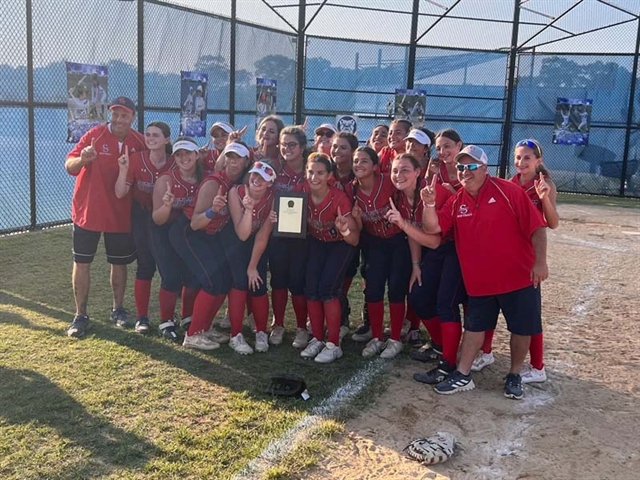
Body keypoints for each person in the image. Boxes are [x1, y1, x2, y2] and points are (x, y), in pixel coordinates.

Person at [421, 145, 549, 400]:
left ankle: (514, 374)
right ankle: (463, 373)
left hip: (519, 276)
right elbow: (433, 227)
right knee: (475, 327)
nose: (464, 172)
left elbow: (538, 228)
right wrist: (429, 204)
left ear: (483, 167)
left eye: (470, 166)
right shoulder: (457, 199)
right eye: (460, 167)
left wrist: (540, 263)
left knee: (521, 329)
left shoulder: (508, 191)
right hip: (480, 281)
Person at [473, 138, 559, 384]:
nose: (521, 162)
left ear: (538, 161)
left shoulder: (545, 184)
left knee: (528, 314)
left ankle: (538, 367)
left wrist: (544, 199)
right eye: (518, 157)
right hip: (506, 252)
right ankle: (486, 353)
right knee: (493, 299)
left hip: (528, 255)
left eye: (527, 158)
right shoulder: (510, 183)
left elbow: (551, 223)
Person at [65, 96, 146, 338]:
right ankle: (80, 315)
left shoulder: (139, 141)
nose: (119, 119)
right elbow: (69, 165)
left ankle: (118, 309)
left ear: (133, 117)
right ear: (110, 114)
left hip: (121, 214)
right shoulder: (94, 135)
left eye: (125, 115)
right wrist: (83, 159)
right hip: (88, 212)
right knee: (82, 262)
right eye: (115, 114)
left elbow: (159, 158)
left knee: (119, 263)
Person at [170, 142, 252, 351]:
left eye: (238, 158)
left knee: (223, 281)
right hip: (188, 233)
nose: (233, 162)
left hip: (208, 235)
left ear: (247, 161)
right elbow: (195, 222)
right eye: (230, 157)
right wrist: (212, 211)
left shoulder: (241, 183)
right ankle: (192, 334)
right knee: (212, 281)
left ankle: (204, 328)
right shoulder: (214, 183)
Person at [347, 147, 410, 359]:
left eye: (365, 161)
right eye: (356, 161)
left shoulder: (389, 181)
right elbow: (359, 226)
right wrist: (356, 218)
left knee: (395, 289)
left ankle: (395, 339)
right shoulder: (351, 189)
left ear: (375, 166)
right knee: (373, 289)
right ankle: (376, 336)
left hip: (397, 241)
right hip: (373, 243)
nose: (359, 164)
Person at [298, 153, 359, 363]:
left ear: (329, 175)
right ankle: (317, 337)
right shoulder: (302, 191)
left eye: (320, 173)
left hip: (340, 245)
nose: (314, 177)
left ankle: (333, 343)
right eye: (311, 172)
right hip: (317, 242)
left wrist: (344, 230)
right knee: (311, 288)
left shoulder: (339, 198)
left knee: (328, 289)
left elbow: (354, 239)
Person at [115, 121, 174, 334]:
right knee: (146, 265)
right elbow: (120, 192)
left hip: (170, 217)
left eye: (156, 135)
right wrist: (123, 170)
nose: (150, 138)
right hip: (142, 215)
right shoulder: (136, 159)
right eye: (148, 134)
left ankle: (170, 317)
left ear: (167, 139)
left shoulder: (176, 161)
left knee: (171, 266)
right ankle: (142, 318)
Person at [151, 137, 203, 342]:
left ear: (197, 155)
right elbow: (157, 219)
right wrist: (167, 205)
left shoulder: (204, 177)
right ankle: (165, 321)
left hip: (190, 232)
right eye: (179, 154)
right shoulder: (166, 180)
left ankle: (187, 317)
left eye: (188, 153)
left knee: (192, 275)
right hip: (163, 231)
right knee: (171, 277)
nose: (184, 158)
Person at [224, 161, 277, 354]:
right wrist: (249, 209)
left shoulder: (273, 197)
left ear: (270, 183)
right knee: (239, 282)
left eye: (263, 178)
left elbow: (262, 236)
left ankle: (261, 331)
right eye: (254, 175)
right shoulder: (236, 192)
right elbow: (242, 234)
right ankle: (235, 335)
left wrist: (253, 266)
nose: (256, 180)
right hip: (236, 240)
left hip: (257, 243)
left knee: (258, 283)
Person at [269, 126, 309, 348]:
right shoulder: (275, 168)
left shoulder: (312, 169)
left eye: (292, 144)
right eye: (283, 144)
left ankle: (302, 327)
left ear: (302, 147)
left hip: (304, 236)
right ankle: (278, 324)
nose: (286, 149)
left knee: (298, 282)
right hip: (279, 233)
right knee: (278, 280)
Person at [429, 129, 463, 194]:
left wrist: (453, 193)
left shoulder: (468, 168)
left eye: (447, 146)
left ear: (459, 145)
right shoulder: (435, 169)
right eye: (438, 149)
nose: (442, 152)